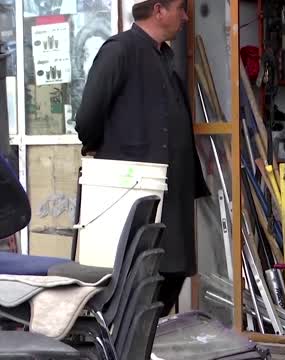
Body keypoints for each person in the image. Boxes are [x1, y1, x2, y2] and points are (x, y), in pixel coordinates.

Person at [74, 0, 209, 316]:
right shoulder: (120, 51)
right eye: (180, 8)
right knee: (137, 283)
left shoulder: (164, 58)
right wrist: (107, 154)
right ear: (159, 10)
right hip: (134, 193)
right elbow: (87, 119)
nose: (186, 16)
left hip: (171, 196)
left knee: (172, 274)